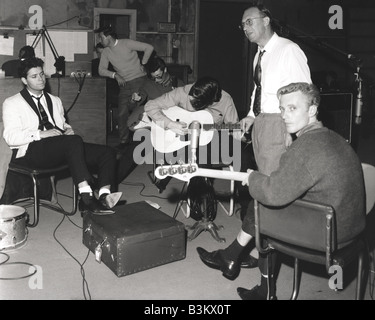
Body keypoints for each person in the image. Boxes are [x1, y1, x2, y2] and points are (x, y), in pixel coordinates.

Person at [197, 82, 366, 300]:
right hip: (350, 227)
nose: (285, 116)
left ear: (312, 110)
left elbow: (271, 194)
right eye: (282, 109)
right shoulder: (335, 138)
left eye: (293, 108)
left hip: (329, 236)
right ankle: (231, 257)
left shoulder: (305, 146)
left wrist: (253, 178)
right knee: (268, 193)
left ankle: (263, 291)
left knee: (261, 207)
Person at [228, 4, 314, 268]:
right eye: (242, 25)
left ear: (266, 21)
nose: (245, 28)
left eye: (249, 22)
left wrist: (294, 132)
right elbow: (259, 91)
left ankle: (260, 254)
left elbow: (304, 92)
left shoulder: (288, 50)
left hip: (280, 123)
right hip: (262, 124)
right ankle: (258, 250)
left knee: (271, 191)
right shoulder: (259, 56)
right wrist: (252, 118)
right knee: (264, 187)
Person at [2, 57, 122, 214]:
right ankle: (86, 197)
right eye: (34, 76)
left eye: (42, 74)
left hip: (60, 147)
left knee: (107, 153)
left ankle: (104, 196)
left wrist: (67, 129)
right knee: (73, 142)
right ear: (24, 80)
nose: (40, 79)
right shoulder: (12, 103)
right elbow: (10, 137)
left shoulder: (55, 100)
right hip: (31, 152)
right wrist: (41, 134)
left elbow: (62, 124)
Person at [144, 76, 239, 192]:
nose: (189, 101)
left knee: (205, 154)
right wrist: (170, 124)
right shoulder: (183, 92)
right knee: (198, 157)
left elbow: (235, 127)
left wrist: (236, 131)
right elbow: (150, 106)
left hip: (208, 143)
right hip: (180, 142)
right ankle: (196, 192)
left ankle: (197, 197)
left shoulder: (225, 100)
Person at [117, 54, 185, 184]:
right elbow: (134, 105)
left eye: (159, 76)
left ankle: (163, 177)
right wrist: (134, 99)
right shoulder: (148, 84)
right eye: (153, 77)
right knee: (137, 145)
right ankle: (114, 179)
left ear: (165, 70)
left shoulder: (179, 84)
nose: (157, 80)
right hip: (154, 123)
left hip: (172, 124)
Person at [95, 26, 154, 149]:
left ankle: (146, 140)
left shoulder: (126, 43)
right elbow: (101, 70)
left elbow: (149, 47)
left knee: (137, 108)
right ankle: (124, 142)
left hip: (139, 80)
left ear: (108, 37)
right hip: (124, 84)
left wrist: (144, 63)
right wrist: (115, 75)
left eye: (101, 37)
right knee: (122, 113)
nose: (99, 40)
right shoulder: (106, 51)